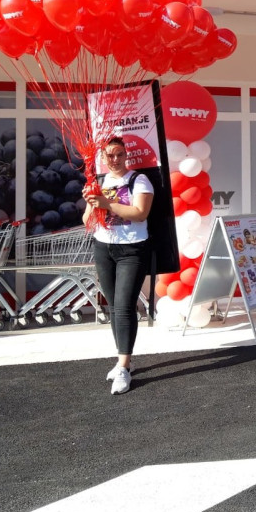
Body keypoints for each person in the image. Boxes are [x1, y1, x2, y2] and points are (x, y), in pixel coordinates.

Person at [82, 136, 154, 395]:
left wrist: (107, 203)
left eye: (119, 154)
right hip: (104, 247)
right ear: (103, 157)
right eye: (110, 155)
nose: (114, 159)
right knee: (114, 306)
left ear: (126, 155)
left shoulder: (139, 180)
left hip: (132, 249)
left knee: (124, 306)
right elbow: (86, 220)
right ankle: (125, 360)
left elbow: (140, 213)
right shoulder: (100, 182)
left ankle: (123, 367)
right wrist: (91, 202)